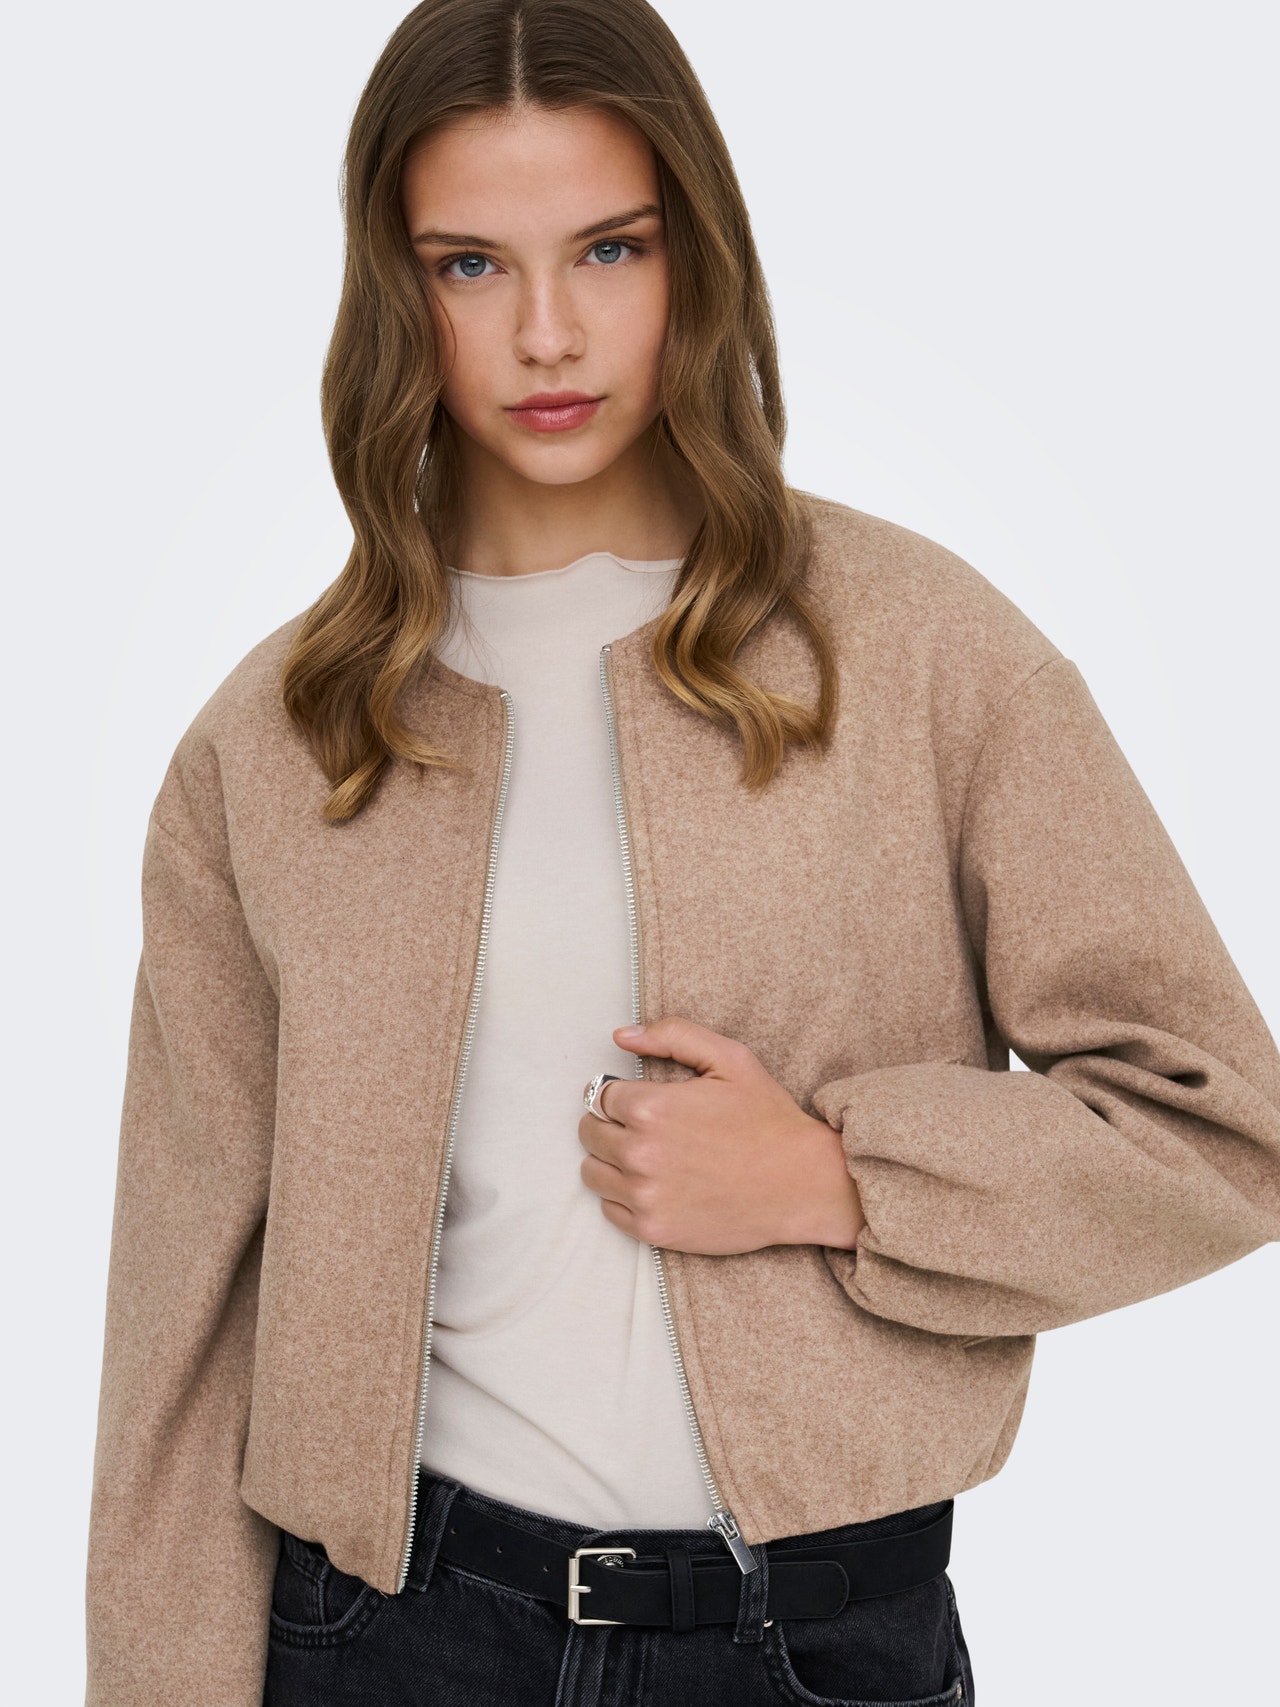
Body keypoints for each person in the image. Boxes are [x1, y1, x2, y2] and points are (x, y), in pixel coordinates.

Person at [84, 1, 1280, 1703]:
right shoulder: (274, 744)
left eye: (610, 249)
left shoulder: (923, 654)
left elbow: (1222, 1128)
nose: (548, 333)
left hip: (819, 1648)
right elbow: (184, 1332)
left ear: (694, 259)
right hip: (391, 1640)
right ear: (394, 295)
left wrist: (837, 1179)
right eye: (471, 265)